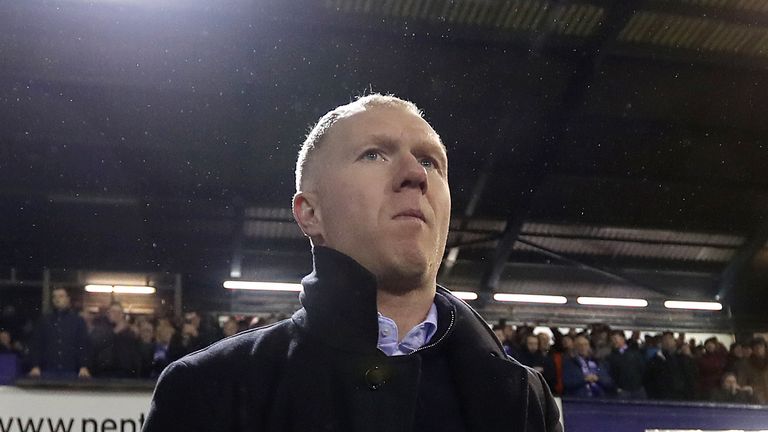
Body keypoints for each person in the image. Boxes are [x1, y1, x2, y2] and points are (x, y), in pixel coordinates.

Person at [142, 94, 562, 431]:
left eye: (430, 161)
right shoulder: (209, 388)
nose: (415, 174)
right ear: (310, 213)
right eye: (375, 154)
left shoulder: (524, 400)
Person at [27, 287, 91, 379]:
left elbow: (83, 344)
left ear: (68, 299)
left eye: (61, 296)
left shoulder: (77, 321)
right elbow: (37, 344)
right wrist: (35, 365)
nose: (57, 299)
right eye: (54, 297)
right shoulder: (44, 320)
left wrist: (83, 366)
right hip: (47, 369)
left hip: (71, 369)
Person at [644, 332, 696, 400]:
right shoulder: (655, 360)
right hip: (661, 396)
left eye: (670, 339)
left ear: (674, 341)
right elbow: (648, 379)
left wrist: (689, 356)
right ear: (661, 343)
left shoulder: (683, 358)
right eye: (665, 339)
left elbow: (692, 374)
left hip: (681, 396)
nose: (668, 342)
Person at [606, 330, 646, 399]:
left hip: (638, 389)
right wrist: (617, 388)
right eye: (612, 340)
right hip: (622, 391)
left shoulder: (635, 353)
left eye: (615, 339)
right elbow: (611, 374)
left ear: (623, 338)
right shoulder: (610, 357)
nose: (614, 342)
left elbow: (643, 369)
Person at [737, 337, 768, 404]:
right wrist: (748, 389)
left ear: (765, 347)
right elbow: (741, 382)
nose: (758, 349)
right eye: (756, 347)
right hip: (755, 397)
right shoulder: (746, 364)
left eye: (761, 346)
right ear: (752, 350)